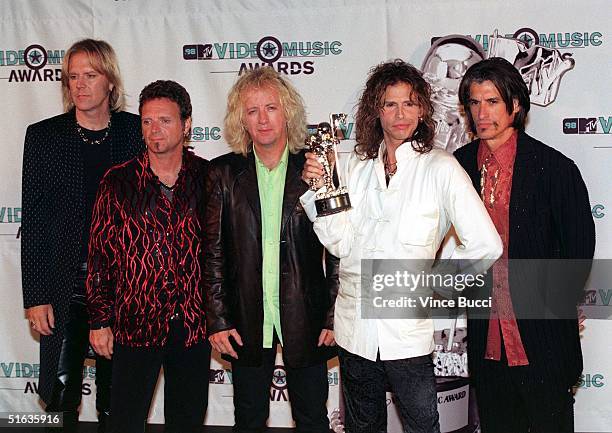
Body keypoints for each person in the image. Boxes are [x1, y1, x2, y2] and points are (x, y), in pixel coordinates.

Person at [300, 59, 502, 433]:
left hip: (407, 335)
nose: (400, 114)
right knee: (362, 427)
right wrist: (319, 191)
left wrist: (435, 287)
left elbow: (485, 244)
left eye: (409, 103)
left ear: (423, 108)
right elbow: (340, 242)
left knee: (422, 427)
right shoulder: (356, 166)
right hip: (354, 331)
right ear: (376, 110)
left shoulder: (440, 167)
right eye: (390, 104)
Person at [454, 57, 596, 433]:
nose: (481, 113)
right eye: (474, 102)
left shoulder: (554, 168)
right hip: (487, 339)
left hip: (542, 337)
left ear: (515, 105)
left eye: (492, 102)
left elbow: (579, 250)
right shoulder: (458, 167)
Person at [203, 67, 339, 433]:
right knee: (248, 419)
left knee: (313, 418)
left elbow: (339, 246)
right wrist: (218, 319)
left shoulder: (314, 168)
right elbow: (212, 254)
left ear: (288, 113)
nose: (262, 119)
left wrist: (333, 314)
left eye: (271, 108)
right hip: (246, 318)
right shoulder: (223, 174)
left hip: (306, 315)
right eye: (252, 111)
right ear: (241, 120)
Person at [21, 38, 143, 431]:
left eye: (90, 75)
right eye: (72, 77)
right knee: (61, 397)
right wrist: (36, 296)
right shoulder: (43, 137)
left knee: (118, 397)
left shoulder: (134, 131)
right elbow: (35, 222)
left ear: (110, 81)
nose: (80, 85)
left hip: (124, 285)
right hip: (64, 285)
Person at [87, 80, 210, 433]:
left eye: (165, 121)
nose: (155, 130)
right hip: (134, 323)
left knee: (186, 422)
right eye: (147, 121)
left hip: (193, 325)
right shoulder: (117, 182)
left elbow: (222, 254)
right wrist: (98, 320)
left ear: (186, 124)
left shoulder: (208, 177)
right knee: (124, 422)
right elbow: (100, 256)